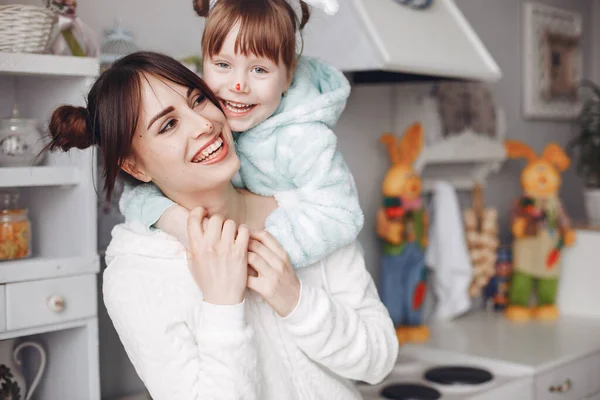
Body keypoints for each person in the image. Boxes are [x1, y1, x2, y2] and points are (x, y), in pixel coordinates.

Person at [45, 51, 398, 400]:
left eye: (198, 100)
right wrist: (222, 304)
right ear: (135, 167)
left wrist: (296, 301)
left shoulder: (307, 215)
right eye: (168, 124)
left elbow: (379, 361)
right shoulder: (138, 272)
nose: (204, 124)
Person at [120, 0, 364, 268]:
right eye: (223, 65)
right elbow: (139, 192)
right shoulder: (209, 120)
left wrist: (254, 255)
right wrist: (173, 219)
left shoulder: (306, 140)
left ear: (288, 75)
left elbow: (341, 214)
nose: (238, 85)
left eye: (259, 69)